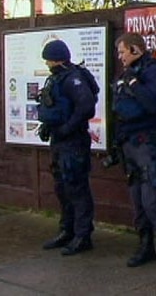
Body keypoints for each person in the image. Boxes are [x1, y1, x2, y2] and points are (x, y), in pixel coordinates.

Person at [111, 32, 156, 272]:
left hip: (149, 145)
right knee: (137, 202)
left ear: (135, 49)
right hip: (129, 145)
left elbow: (155, 105)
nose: (120, 56)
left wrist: (134, 83)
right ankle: (146, 247)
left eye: (122, 51)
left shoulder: (154, 72)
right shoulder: (126, 75)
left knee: (154, 201)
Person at [37, 39, 98, 256]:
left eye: (49, 60)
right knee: (62, 187)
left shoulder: (73, 78)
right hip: (60, 141)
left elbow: (87, 107)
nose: (47, 64)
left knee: (76, 187)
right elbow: (57, 106)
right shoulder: (58, 78)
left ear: (57, 59)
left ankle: (83, 235)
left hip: (74, 141)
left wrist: (67, 128)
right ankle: (67, 230)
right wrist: (49, 127)